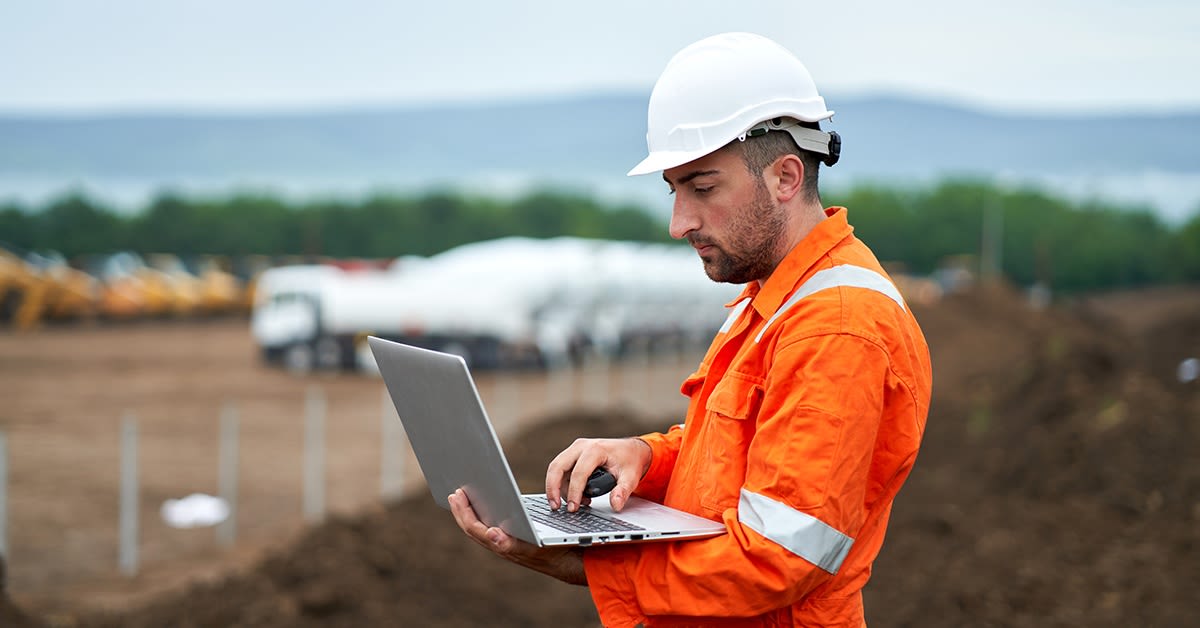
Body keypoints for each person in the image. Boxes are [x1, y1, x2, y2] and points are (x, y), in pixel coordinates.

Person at [448, 31, 932, 627]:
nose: (679, 223)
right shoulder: (780, 299)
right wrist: (645, 457)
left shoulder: (833, 329)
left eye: (702, 188)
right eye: (675, 190)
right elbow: (739, 455)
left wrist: (590, 565)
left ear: (785, 177)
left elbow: (778, 559)